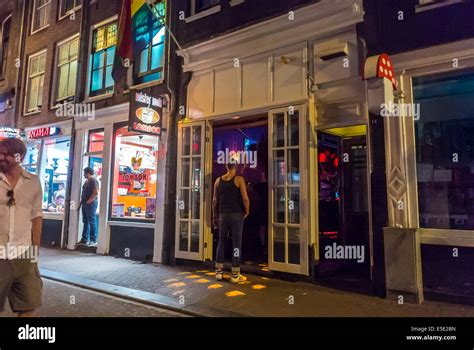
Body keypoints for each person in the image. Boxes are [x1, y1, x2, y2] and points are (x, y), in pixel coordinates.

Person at [0, 138, 43, 317]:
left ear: (20, 156)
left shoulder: (33, 181)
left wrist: (35, 248)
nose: (1, 157)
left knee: (28, 305)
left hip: (24, 253)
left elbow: (36, 215)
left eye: (7, 154)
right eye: (0, 153)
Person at [212, 163, 250, 283]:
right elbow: (245, 198)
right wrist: (247, 210)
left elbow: (214, 200)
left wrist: (214, 215)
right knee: (236, 244)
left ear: (226, 167)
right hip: (236, 214)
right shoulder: (239, 179)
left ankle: (218, 272)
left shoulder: (218, 180)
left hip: (223, 215)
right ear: (236, 167)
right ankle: (235, 274)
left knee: (221, 241)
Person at [77, 167, 99, 247]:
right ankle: (84, 239)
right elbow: (83, 194)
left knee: (91, 221)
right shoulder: (86, 182)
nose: (83, 174)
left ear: (88, 173)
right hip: (85, 204)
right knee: (85, 221)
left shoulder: (93, 180)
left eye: (84, 173)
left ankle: (93, 239)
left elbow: (96, 192)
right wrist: (80, 204)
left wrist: (89, 201)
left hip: (91, 204)